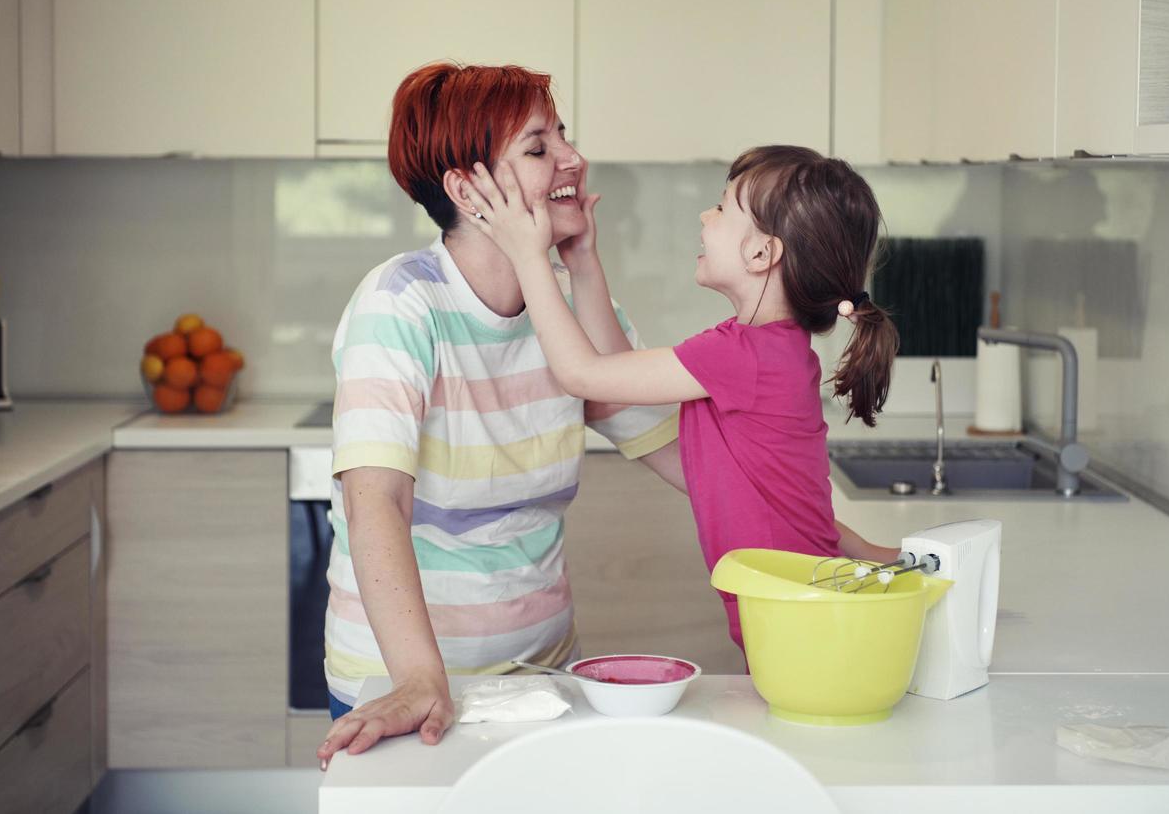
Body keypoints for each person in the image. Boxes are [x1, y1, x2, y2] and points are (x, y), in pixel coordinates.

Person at [315, 63, 685, 766]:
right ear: (467, 189)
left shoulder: (573, 316)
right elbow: (377, 504)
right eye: (539, 147)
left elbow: (690, 462)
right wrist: (419, 680)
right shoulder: (399, 303)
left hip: (544, 675)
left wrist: (842, 544)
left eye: (564, 137)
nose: (573, 159)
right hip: (406, 684)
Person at [462, 144, 903, 651]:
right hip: (802, 609)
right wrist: (582, 262)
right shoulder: (769, 351)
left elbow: (582, 374)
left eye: (722, 206)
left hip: (796, 620)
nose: (704, 215)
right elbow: (615, 370)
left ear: (761, 253)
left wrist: (526, 255)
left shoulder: (743, 356)